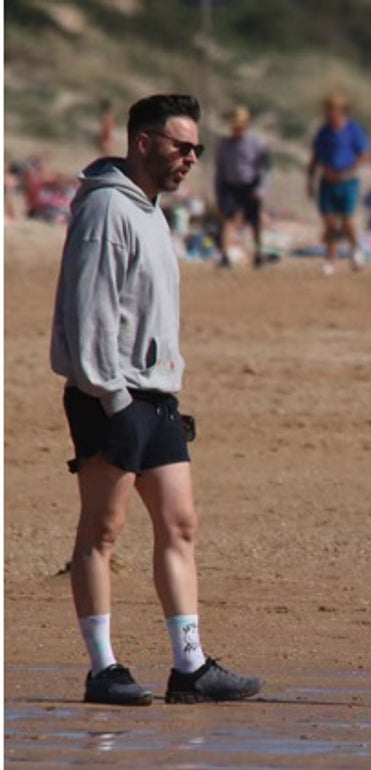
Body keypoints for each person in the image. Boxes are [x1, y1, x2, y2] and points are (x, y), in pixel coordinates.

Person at [49, 94, 261, 706]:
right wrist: (112, 396)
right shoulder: (106, 210)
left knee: (180, 523)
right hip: (109, 396)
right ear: (143, 142)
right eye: (181, 146)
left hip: (159, 395)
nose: (191, 158)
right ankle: (103, 669)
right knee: (103, 530)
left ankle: (189, 666)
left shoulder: (151, 211)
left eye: (197, 148)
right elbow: (88, 310)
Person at [307, 94, 371, 276]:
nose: (330, 113)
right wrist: (310, 180)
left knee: (347, 220)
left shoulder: (353, 130)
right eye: (328, 109)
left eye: (333, 109)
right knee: (329, 222)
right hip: (327, 180)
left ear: (341, 111)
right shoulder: (323, 131)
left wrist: (351, 169)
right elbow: (315, 156)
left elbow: (365, 154)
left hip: (347, 181)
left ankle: (355, 249)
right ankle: (330, 258)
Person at [214, 106, 271, 269]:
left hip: (250, 186)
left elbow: (266, 168)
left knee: (255, 221)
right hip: (230, 186)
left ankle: (258, 253)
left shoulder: (257, 143)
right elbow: (220, 170)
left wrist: (261, 189)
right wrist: (219, 192)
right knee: (227, 220)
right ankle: (225, 255)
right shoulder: (224, 145)